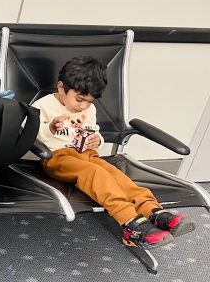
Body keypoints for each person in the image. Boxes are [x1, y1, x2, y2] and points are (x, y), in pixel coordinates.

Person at [33, 56, 195, 248]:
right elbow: (31, 136)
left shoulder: (89, 109)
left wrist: (97, 140)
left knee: (116, 175)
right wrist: (51, 127)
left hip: (88, 155)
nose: (83, 106)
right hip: (58, 158)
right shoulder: (42, 106)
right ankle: (130, 222)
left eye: (89, 102)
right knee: (95, 173)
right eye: (79, 100)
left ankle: (153, 211)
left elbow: (94, 131)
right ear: (61, 87)